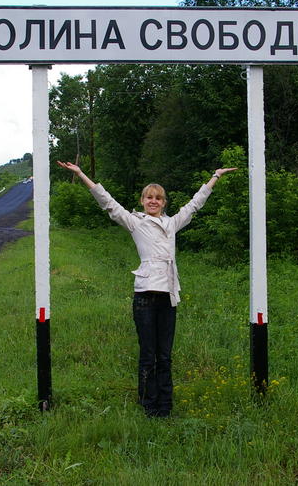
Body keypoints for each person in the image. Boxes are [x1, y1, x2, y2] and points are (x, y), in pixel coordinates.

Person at [56, 161, 236, 417]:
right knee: (148, 353)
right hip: (145, 297)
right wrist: (81, 174)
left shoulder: (172, 224)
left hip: (168, 297)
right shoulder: (135, 222)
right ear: (142, 201)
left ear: (164, 203)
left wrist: (215, 176)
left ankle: (165, 404)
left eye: (158, 198)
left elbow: (195, 204)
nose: (153, 201)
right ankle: (148, 403)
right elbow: (108, 202)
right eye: (149, 197)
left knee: (165, 354)